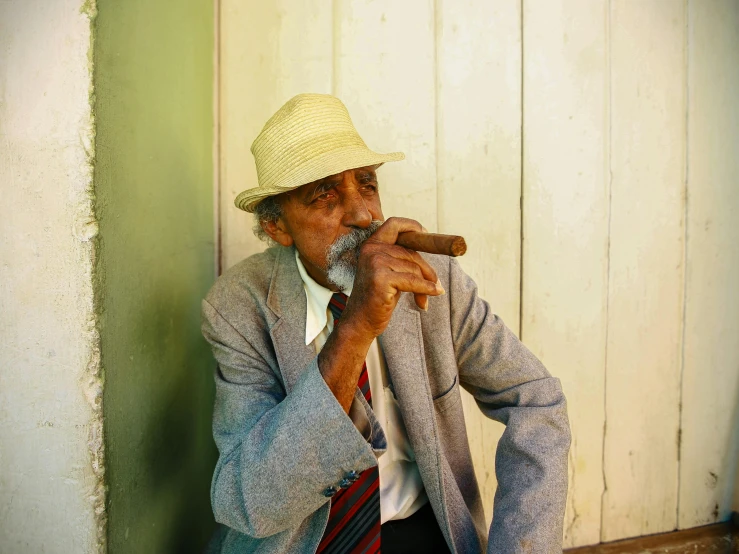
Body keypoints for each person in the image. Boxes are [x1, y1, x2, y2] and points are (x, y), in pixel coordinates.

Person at [202, 93, 571, 554]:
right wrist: (355, 327)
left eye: (367, 184)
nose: (362, 214)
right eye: (325, 193)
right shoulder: (238, 307)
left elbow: (536, 402)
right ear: (277, 227)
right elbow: (246, 500)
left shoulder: (435, 276)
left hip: (420, 532)